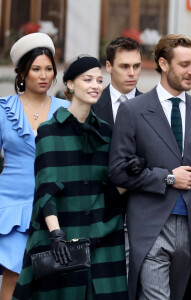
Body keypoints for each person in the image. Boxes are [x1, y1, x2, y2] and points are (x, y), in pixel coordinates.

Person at [108, 34, 191, 300]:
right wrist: (168, 178)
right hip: (149, 227)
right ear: (163, 63)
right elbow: (117, 169)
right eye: (184, 64)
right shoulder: (133, 111)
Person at [12, 55, 135, 299]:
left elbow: (110, 188)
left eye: (99, 80)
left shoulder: (107, 132)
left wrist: (130, 174)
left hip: (104, 235)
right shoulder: (49, 132)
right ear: (70, 84)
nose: (95, 85)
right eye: (87, 79)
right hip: (63, 235)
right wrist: (56, 235)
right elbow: (46, 189)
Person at [0, 32, 70, 300]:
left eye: (49, 69)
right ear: (21, 73)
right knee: (15, 274)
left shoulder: (67, 110)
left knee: (51, 281)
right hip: (12, 207)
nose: (43, 75)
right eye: (35, 69)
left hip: (55, 207)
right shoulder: (4, 109)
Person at [92, 36, 142, 127]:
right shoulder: (91, 105)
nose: (132, 73)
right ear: (109, 66)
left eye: (136, 66)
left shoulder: (154, 106)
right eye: (124, 66)